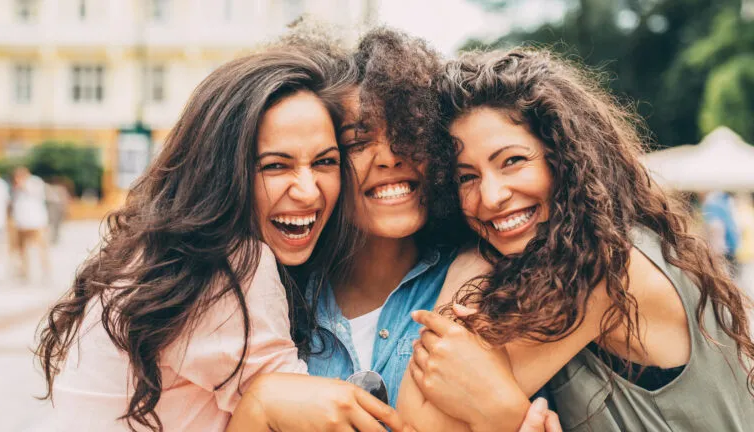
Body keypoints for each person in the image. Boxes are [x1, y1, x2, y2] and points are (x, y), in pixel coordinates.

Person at [35, 45, 407, 432]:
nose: (308, 190)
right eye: (275, 165)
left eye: (324, 162)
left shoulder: (163, 254)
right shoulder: (228, 264)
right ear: (221, 171)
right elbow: (312, 417)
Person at [398, 48, 754, 431]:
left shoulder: (605, 268)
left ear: (566, 159)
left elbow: (422, 420)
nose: (491, 196)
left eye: (513, 161)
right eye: (466, 177)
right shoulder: (612, 242)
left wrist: (470, 259)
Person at [229, 29, 559, 432]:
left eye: (409, 131)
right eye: (358, 140)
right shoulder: (266, 301)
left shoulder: (492, 284)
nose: (388, 157)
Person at [11, 166, 49, 279]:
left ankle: (45, 269)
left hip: (36, 222)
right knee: (22, 249)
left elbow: (37, 193)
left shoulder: (35, 181)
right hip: (21, 223)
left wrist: (22, 185)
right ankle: (24, 271)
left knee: (41, 247)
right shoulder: (16, 188)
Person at [702, 191, 741, 277]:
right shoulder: (726, 206)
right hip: (729, 248)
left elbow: (715, 230)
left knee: (723, 275)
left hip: (720, 250)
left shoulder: (713, 208)